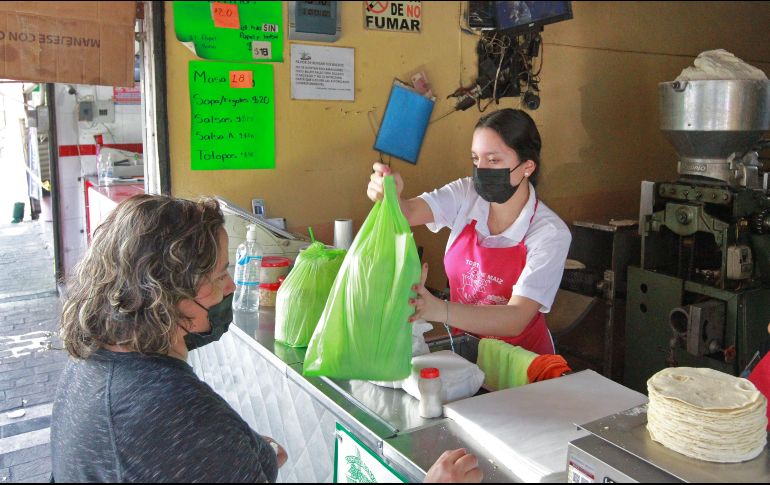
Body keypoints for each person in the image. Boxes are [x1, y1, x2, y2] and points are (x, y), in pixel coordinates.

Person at [51, 194, 481, 483]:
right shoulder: (174, 410)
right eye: (221, 275)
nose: (231, 288)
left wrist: (241, 457)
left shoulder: (89, 367)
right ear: (171, 294)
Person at [367, 108, 571, 355]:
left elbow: (516, 318)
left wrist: (438, 309)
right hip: (467, 351)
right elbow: (407, 212)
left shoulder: (550, 233)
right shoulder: (467, 194)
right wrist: (389, 194)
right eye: (476, 159)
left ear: (527, 166)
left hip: (522, 366)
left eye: (493, 160)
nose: (481, 170)